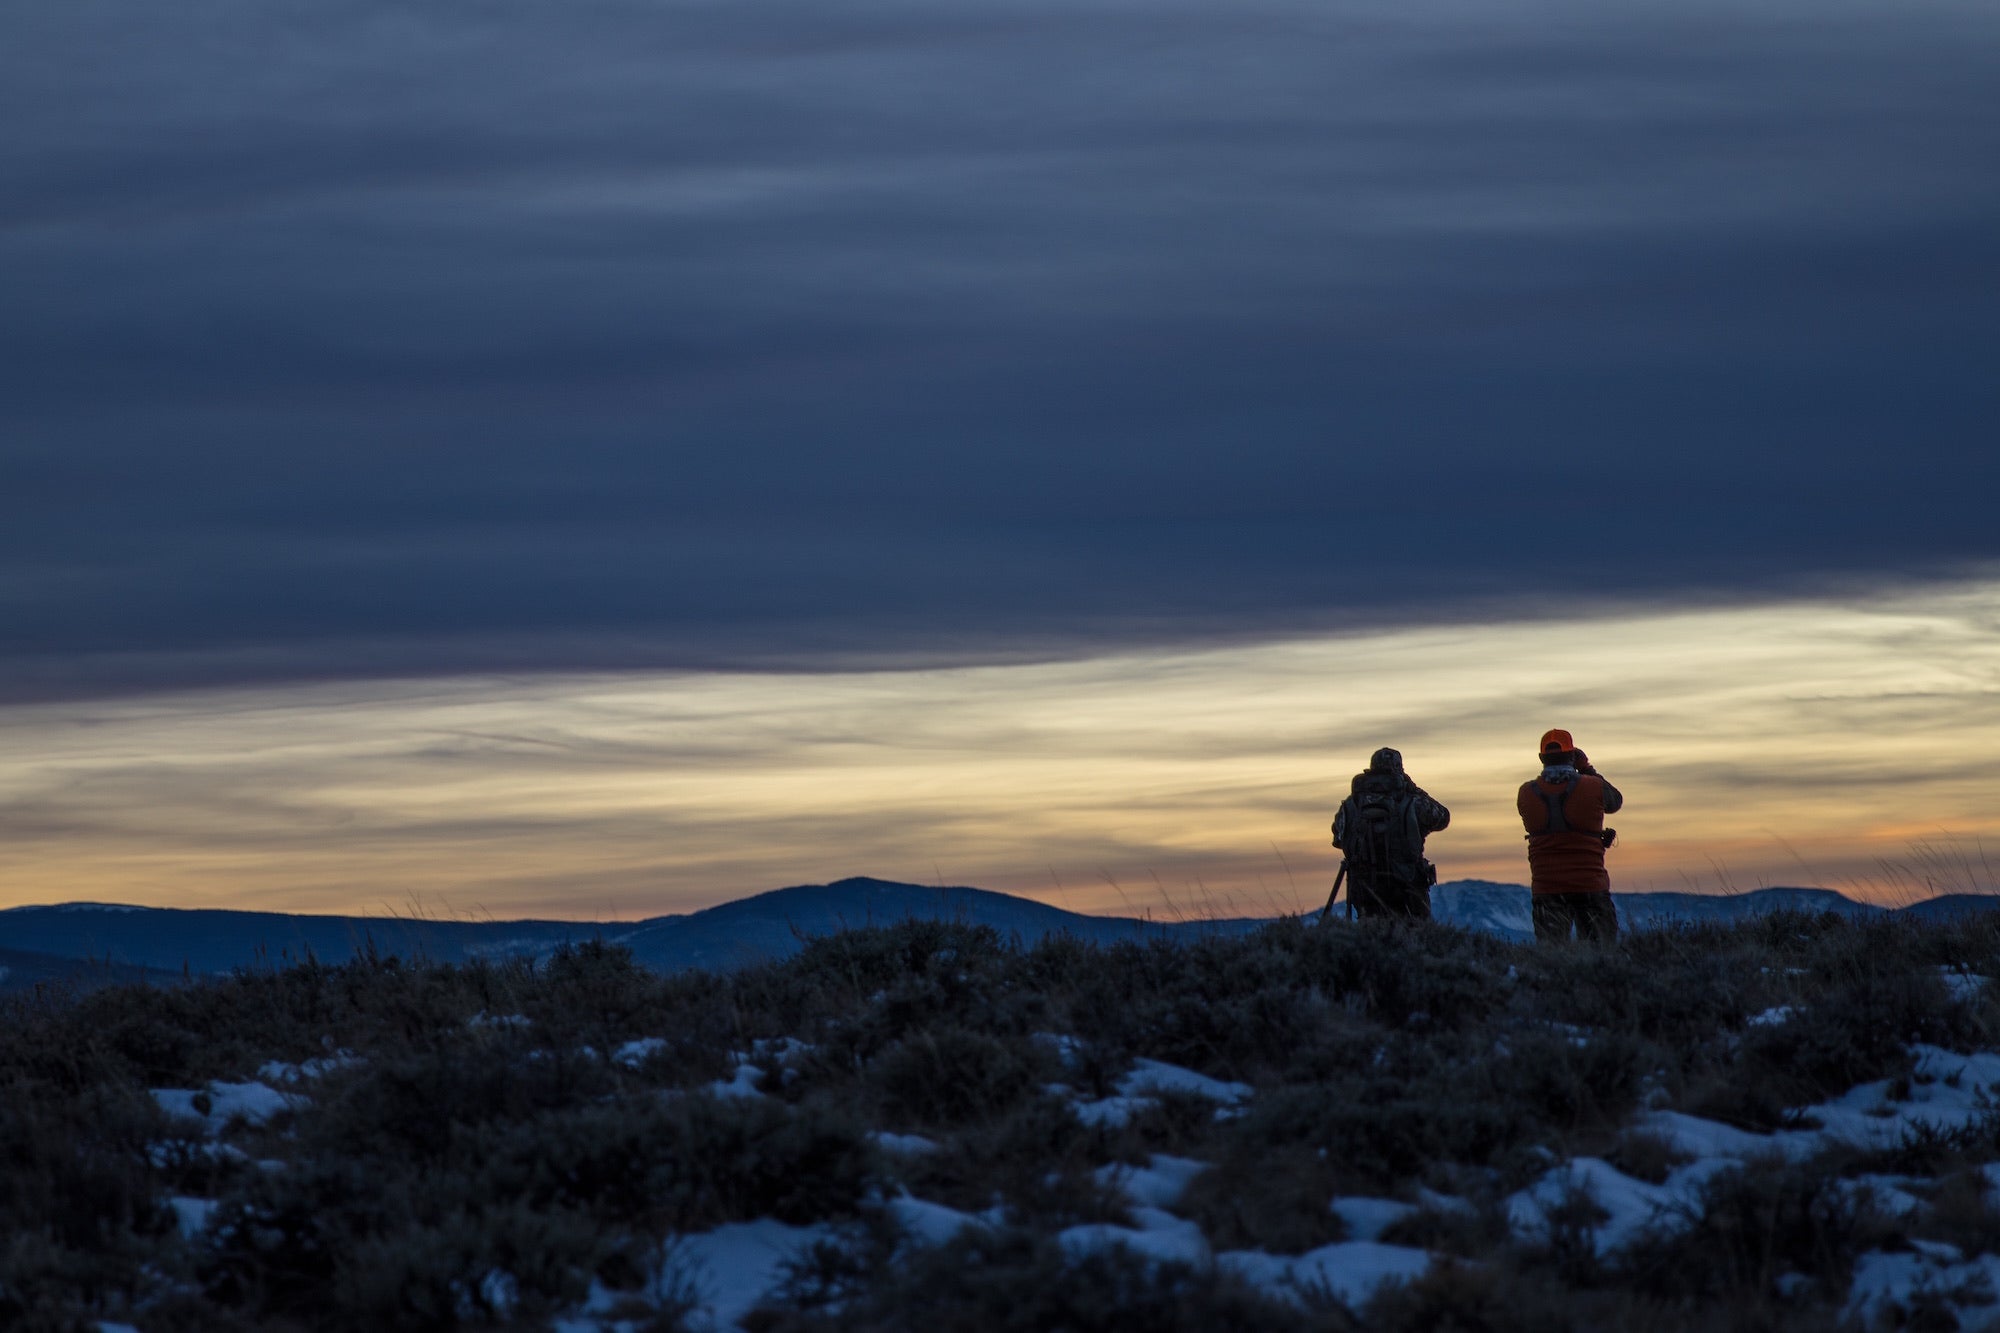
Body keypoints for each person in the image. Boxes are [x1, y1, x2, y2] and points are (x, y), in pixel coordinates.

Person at [1517, 729, 1624, 943]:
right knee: (1601, 953)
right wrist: (1586, 768)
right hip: (1590, 885)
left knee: (1551, 957)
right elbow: (1615, 802)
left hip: (1547, 886)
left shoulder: (1526, 793)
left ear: (1541, 758)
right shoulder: (1593, 787)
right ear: (1572, 756)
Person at [1331, 747, 1451, 921]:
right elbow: (1443, 817)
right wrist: (1415, 789)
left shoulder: (1351, 806)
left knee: (1369, 937)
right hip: (1407, 886)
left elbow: (1339, 838)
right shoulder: (1411, 800)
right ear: (1398, 769)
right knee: (1414, 938)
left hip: (1364, 888)